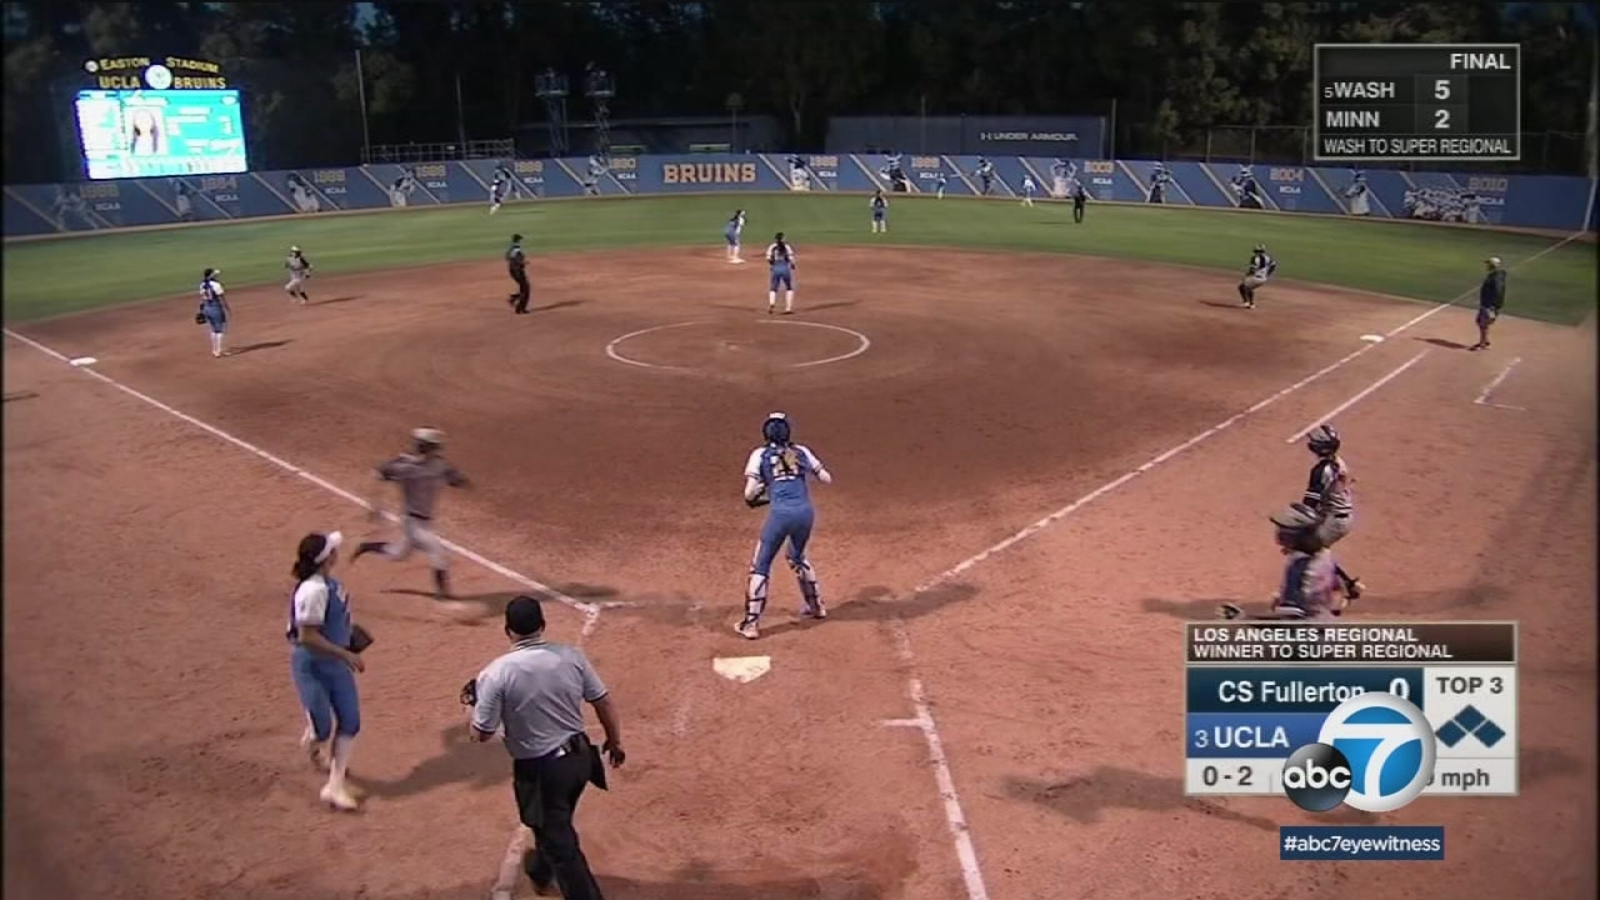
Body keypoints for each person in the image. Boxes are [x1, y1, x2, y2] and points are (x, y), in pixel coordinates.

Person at [470, 595, 624, 900]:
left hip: (542, 773)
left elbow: (481, 733)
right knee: (553, 823)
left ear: (507, 631)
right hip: (581, 761)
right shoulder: (571, 656)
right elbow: (602, 700)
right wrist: (614, 740)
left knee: (563, 849)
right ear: (542, 625)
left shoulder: (495, 674)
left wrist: (471, 706)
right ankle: (540, 870)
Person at [287, 531, 365, 811]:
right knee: (323, 728)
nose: (336, 551)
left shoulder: (331, 584)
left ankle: (334, 786)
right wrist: (345, 653)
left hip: (335, 664)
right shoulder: (313, 590)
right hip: (312, 664)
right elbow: (307, 635)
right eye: (332, 549)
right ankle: (314, 741)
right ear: (326, 558)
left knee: (350, 721)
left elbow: (336, 620)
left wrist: (348, 638)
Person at [737, 412, 833, 639]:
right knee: (796, 557)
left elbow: (749, 494)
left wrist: (765, 489)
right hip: (806, 513)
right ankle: (816, 606)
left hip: (780, 514)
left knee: (760, 565)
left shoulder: (760, 454)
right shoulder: (801, 451)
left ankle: (750, 624)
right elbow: (826, 478)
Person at [353, 427, 470, 599]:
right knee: (438, 551)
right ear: (425, 446)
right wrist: (375, 506)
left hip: (426, 522)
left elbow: (454, 478)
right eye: (434, 446)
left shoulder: (439, 465)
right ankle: (445, 596)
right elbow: (377, 474)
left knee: (397, 554)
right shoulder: (405, 465)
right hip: (412, 522)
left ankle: (366, 547)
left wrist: (462, 482)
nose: (436, 450)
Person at [1218, 504, 1345, 621]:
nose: (1278, 533)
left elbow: (1289, 620)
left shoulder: (1300, 568)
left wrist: (1244, 618)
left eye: (1283, 530)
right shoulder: (1324, 555)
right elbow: (1340, 594)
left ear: (1292, 535)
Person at [1300, 424, 1363, 600]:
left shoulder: (1321, 471)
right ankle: (1348, 585)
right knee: (1317, 551)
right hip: (1337, 516)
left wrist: (1299, 523)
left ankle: (1334, 594)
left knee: (1306, 551)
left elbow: (1311, 502)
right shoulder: (1337, 461)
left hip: (1335, 520)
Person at [1471, 256, 1506, 351]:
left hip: (1489, 305)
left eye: (1488, 264)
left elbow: (1498, 292)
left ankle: (1482, 344)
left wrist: (1493, 306)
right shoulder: (1494, 275)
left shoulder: (1496, 277)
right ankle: (1485, 341)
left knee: (1483, 323)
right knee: (1480, 322)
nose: (1486, 266)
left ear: (1492, 265)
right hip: (1486, 304)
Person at [197, 267, 230, 358]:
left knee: (213, 329)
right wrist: (227, 307)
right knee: (220, 329)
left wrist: (202, 310)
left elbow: (203, 297)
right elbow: (221, 297)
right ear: (212, 275)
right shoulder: (216, 285)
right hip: (215, 308)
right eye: (215, 274)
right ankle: (219, 351)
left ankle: (214, 349)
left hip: (206, 308)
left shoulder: (202, 284)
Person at [766, 232, 797, 315]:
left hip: (775, 268)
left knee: (773, 288)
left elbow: (769, 258)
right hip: (785, 268)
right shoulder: (787, 247)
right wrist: (793, 265)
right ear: (783, 239)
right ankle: (788, 308)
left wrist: (772, 265)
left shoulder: (772, 247)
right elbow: (791, 258)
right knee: (789, 287)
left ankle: (771, 303)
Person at [1237, 243, 1276, 310]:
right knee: (1246, 287)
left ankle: (1250, 303)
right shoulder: (1268, 258)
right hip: (1263, 279)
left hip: (1256, 277)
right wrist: (1268, 274)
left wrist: (1247, 275)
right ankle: (1248, 303)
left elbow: (1252, 270)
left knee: (1243, 287)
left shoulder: (1255, 258)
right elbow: (1273, 265)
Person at [507, 233, 532, 314]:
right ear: (518, 240)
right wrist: (523, 262)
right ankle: (520, 308)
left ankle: (514, 299)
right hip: (518, 271)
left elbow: (507, 257)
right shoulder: (517, 249)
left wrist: (513, 263)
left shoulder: (511, 248)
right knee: (526, 289)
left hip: (512, 270)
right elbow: (518, 260)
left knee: (523, 288)